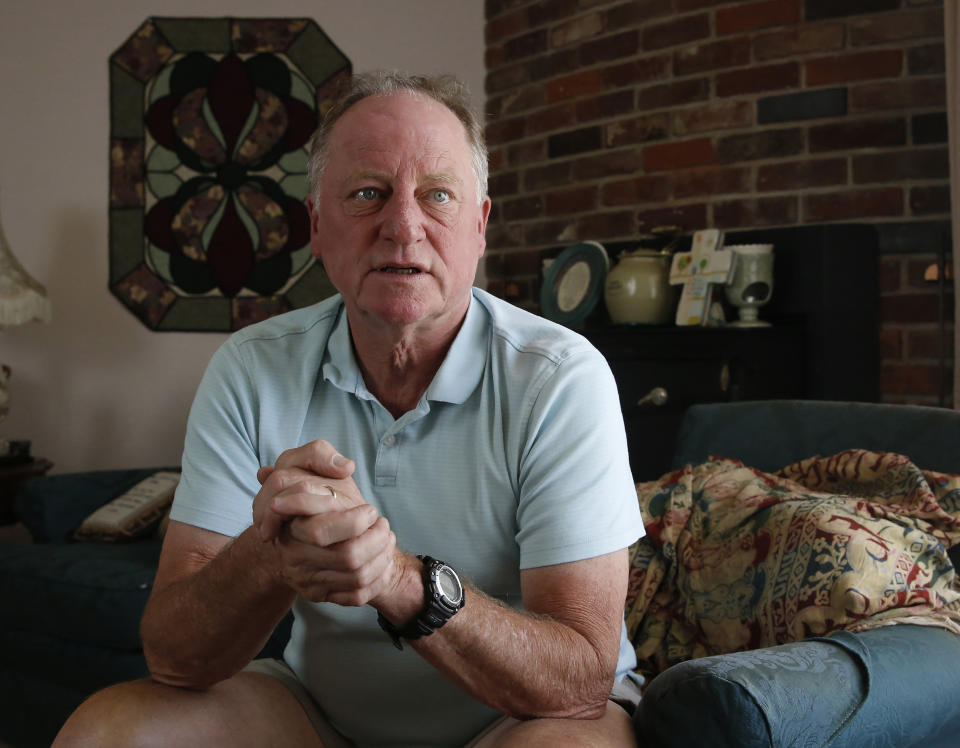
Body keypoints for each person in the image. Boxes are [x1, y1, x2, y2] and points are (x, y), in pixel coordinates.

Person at [54, 71, 645, 747]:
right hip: (320, 716)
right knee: (110, 733)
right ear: (316, 226)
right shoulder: (252, 367)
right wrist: (271, 555)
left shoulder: (560, 378)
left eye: (438, 196)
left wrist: (399, 579)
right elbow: (175, 656)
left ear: (479, 228)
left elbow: (578, 679)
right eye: (368, 194)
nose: (402, 227)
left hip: (524, 720)